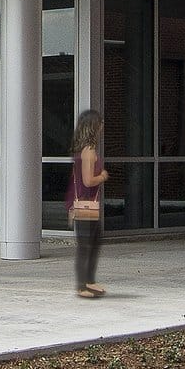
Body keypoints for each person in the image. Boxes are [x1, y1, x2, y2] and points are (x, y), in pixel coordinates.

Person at [70, 109, 108, 299]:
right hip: (86, 205)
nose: (102, 128)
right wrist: (101, 176)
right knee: (86, 245)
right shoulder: (88, 151)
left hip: (88, 204)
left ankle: (89, 281)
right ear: (93, 127)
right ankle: (81, 285)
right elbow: (87, 181)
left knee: (94, 242)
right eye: (99, 124)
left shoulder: (84, 150)